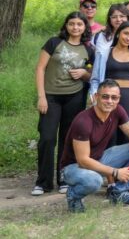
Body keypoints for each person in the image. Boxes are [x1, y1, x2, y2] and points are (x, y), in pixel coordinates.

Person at [31, 12, 94, 197]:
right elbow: (40, 68)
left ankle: (64, 179)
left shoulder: (88, 49)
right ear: (66, 25)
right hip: (51, 96)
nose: (75, 27)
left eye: (79, 25)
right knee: (47, 138)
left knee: (68, 139)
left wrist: (84, 73)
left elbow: (93, 75)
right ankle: (43, 182)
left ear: (84, 27)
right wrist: (41, 96)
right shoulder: (53, 42)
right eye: (72, 24)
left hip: (75, 97)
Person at [60, 79, 129, 213]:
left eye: (114, 97)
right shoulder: (83, 121)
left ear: (118, 99)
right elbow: (83, 160)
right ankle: (74, 195)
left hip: (99, 159)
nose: (110, 101)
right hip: (74, 167)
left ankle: (118, 192)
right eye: (105, 96)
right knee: (95, 181)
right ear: (96, 97)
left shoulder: (117, 111)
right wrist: (116, 172)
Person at [90, 22, 129, 145]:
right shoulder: (104, 53)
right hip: (107, 98)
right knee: (108, 135)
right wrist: (94, 95)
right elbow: (95, 79)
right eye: (126, 33)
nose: (128, 38)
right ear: (119, 33)